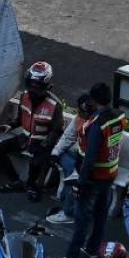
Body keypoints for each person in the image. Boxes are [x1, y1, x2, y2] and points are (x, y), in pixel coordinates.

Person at [48, 82, 126, 258]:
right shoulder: (119, 117)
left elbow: (90, 156)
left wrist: (80, 182)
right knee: (100, 215)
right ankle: (92, 248)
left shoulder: (97, 124)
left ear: (95, 100)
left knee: (82, 218)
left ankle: (72, 256)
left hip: (93, 177)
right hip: (110, 173)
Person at [0, 61, 64, 202]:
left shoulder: (55, 105)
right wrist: (10, 126)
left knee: (36, 162)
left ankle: (32, 186)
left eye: (37, 86)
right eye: (31, 85)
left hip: (43, 142)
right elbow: (20, 118)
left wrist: (44, 144)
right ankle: (16, 182)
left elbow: (56, 131)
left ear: (47, 85)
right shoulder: (24, 97)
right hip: (25, 138)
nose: (33, 90)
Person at [45, 93, 97, 225]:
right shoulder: (79, 119)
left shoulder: (98, 126)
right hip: (78, 155)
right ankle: (70, 203)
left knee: (74, 178)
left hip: (92, 161)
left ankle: (69, 212)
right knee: (66, 162)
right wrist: (55, 153)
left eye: (82, 111)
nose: (79, 113)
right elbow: (68, 137)